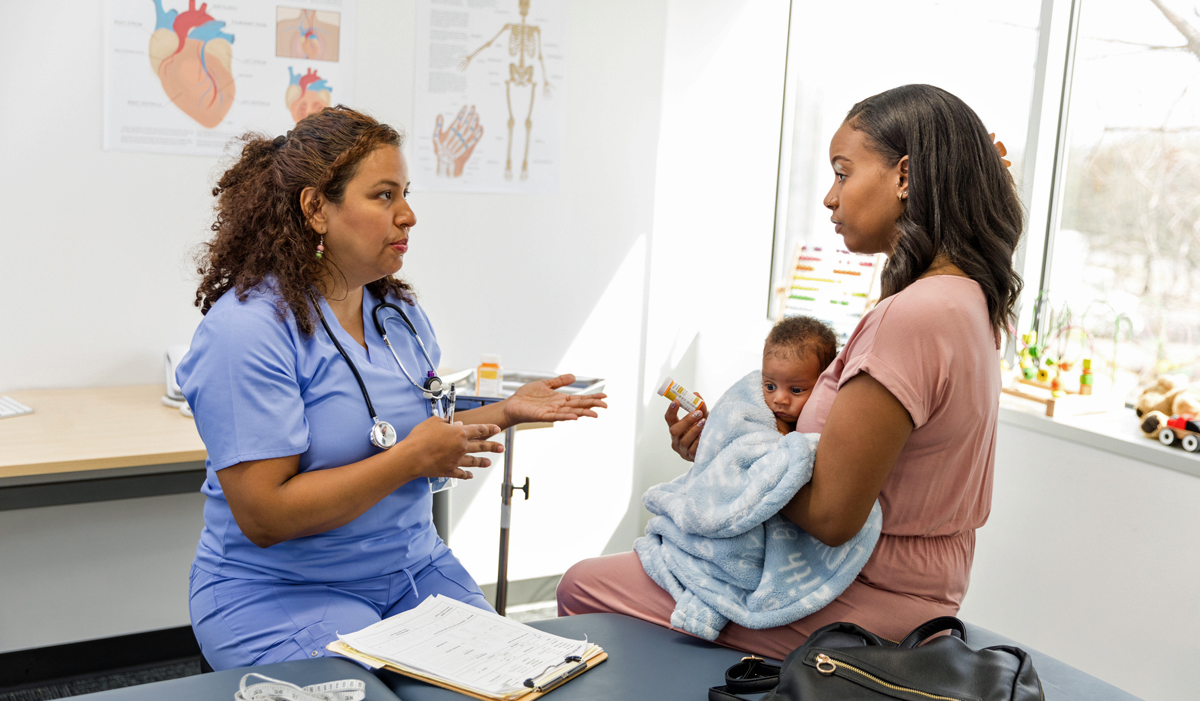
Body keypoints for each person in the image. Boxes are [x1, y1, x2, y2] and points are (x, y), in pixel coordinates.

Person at [558, 84, 1022, 659]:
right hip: (919, 589)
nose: (830, 197)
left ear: (905, 176)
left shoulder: (912, 316)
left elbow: (831, 517)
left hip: (861, 590)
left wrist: (727, 460)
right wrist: (727, 456)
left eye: (843, 173)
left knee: (583, 586)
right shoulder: (967, 300)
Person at [179, 106, 606, 670]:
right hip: (282, 589)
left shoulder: (398, 315)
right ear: (315, 209)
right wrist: (409, 460)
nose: (408, 216)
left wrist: (503, 411)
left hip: (413, 570)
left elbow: (413, 436)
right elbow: (265, 516)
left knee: (519, 686)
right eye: (383, 196)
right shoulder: (248, 329)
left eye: (405, 194)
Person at [759, 316, 839, 435]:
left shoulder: (829, 418)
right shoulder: (759, 417)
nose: (779, 399)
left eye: (796, 390)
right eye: (770, 387)